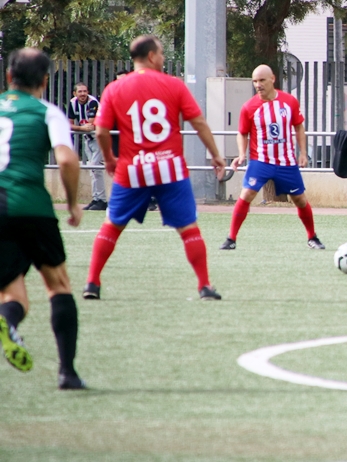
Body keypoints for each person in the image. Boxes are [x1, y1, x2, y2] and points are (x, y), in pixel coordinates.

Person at [83, 35, 227, 300]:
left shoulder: (115, 89)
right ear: (151, 56)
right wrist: (216, 154)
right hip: (169, 168)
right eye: (161, 53)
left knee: (112, 226)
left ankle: (92, 283)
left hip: (132, 169)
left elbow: (101, 131)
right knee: (188, 227)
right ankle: (204, 286)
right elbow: (199, 123)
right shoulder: (174, 85)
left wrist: (109, 159)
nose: (162, 58)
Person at [0, 48, 86, 389]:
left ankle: (8, 321)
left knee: (11, 293)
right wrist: (73, 204)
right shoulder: (48, 112)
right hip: (32, 205)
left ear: (9, 77)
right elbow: (66, 159)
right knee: (58, 284)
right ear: (45, 81)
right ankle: (67, 372)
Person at [220, 64, 324, 251]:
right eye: (255, 81)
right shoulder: (249, 107)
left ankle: (312, 237)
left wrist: (302, 152)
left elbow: (299, 127)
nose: (258, 85)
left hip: (286, 162)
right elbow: (242, 133)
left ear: (272, 79)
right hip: (260, 161)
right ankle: (231, 238)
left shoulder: (289, 102)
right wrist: (242, 154)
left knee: (300, 199)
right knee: (246, 195)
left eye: (261, 80)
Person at [68, 82, 107, 210]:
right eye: (80, 91)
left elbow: (90, 126)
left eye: (85, 91)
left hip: (99, 137)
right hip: (87, 139)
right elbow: (70, 124)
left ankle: (101, 200)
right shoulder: (73, 103)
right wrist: (80, 128)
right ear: (75, 93)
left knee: (95, 167)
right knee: (93, 169)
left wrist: (79, 128)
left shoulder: (93, 102)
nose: (83, 94)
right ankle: (96, 199)